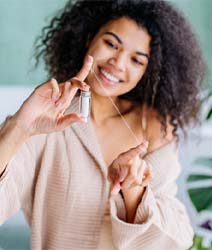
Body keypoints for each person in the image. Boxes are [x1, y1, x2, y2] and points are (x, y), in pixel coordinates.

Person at [0, 0, 206, 249]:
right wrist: (19, 128)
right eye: (111, 44)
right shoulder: (47, 120)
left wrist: (134, 193)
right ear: (89, 38)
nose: (118, 63)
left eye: (137, 60)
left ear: (147, 72)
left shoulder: (154, 128)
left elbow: (177, 240)